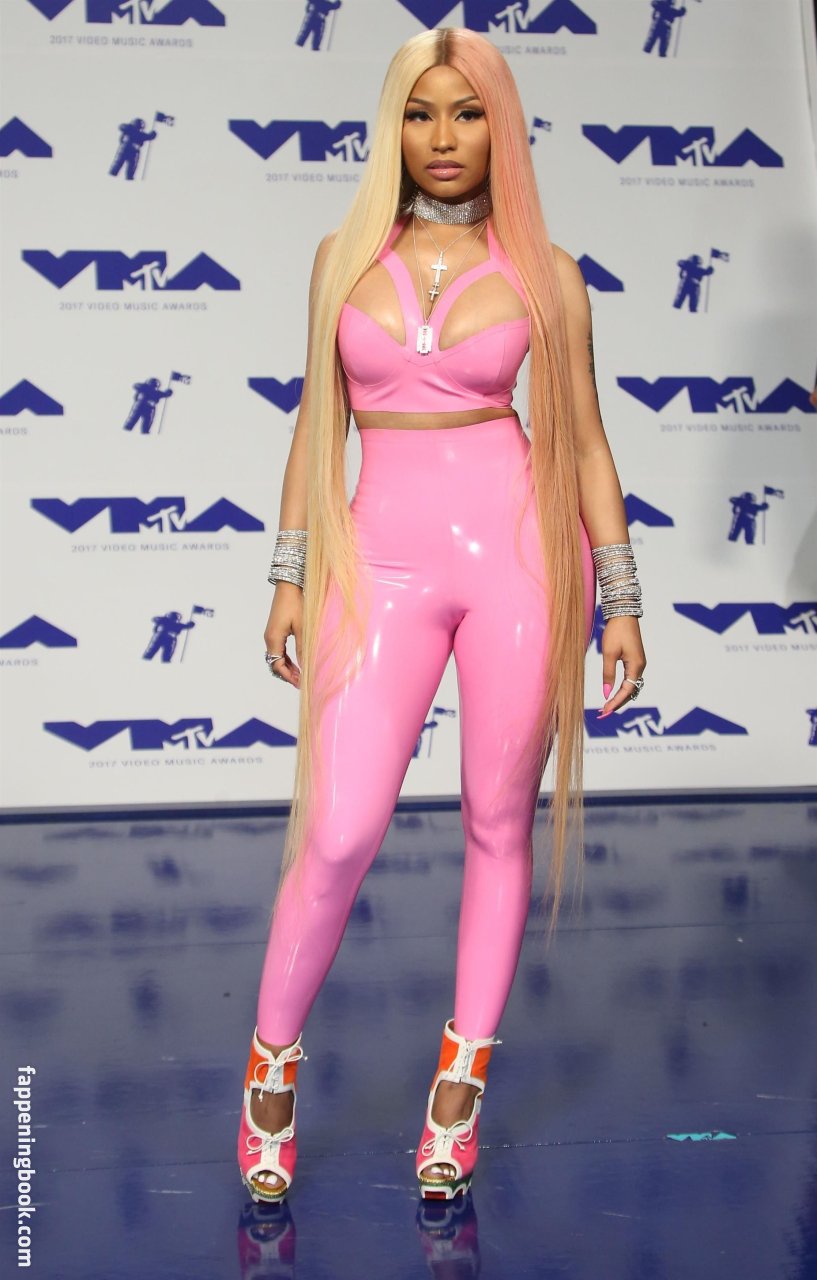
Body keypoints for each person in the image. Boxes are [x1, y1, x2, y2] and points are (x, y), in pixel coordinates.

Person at [238, 27, 647, 1206]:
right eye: (421, 113)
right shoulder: (341, 256)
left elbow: (586, 443)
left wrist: (619, 596)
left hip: (521, 559)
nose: (443, 136)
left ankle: (459, 1085)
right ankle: (271, 1064)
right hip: (379, 560)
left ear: (498, 125)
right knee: (336, 829)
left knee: (495, 821)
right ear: (394, 127)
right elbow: (316, 425)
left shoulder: (548, 271)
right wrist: (288, 574)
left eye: (466, 112)